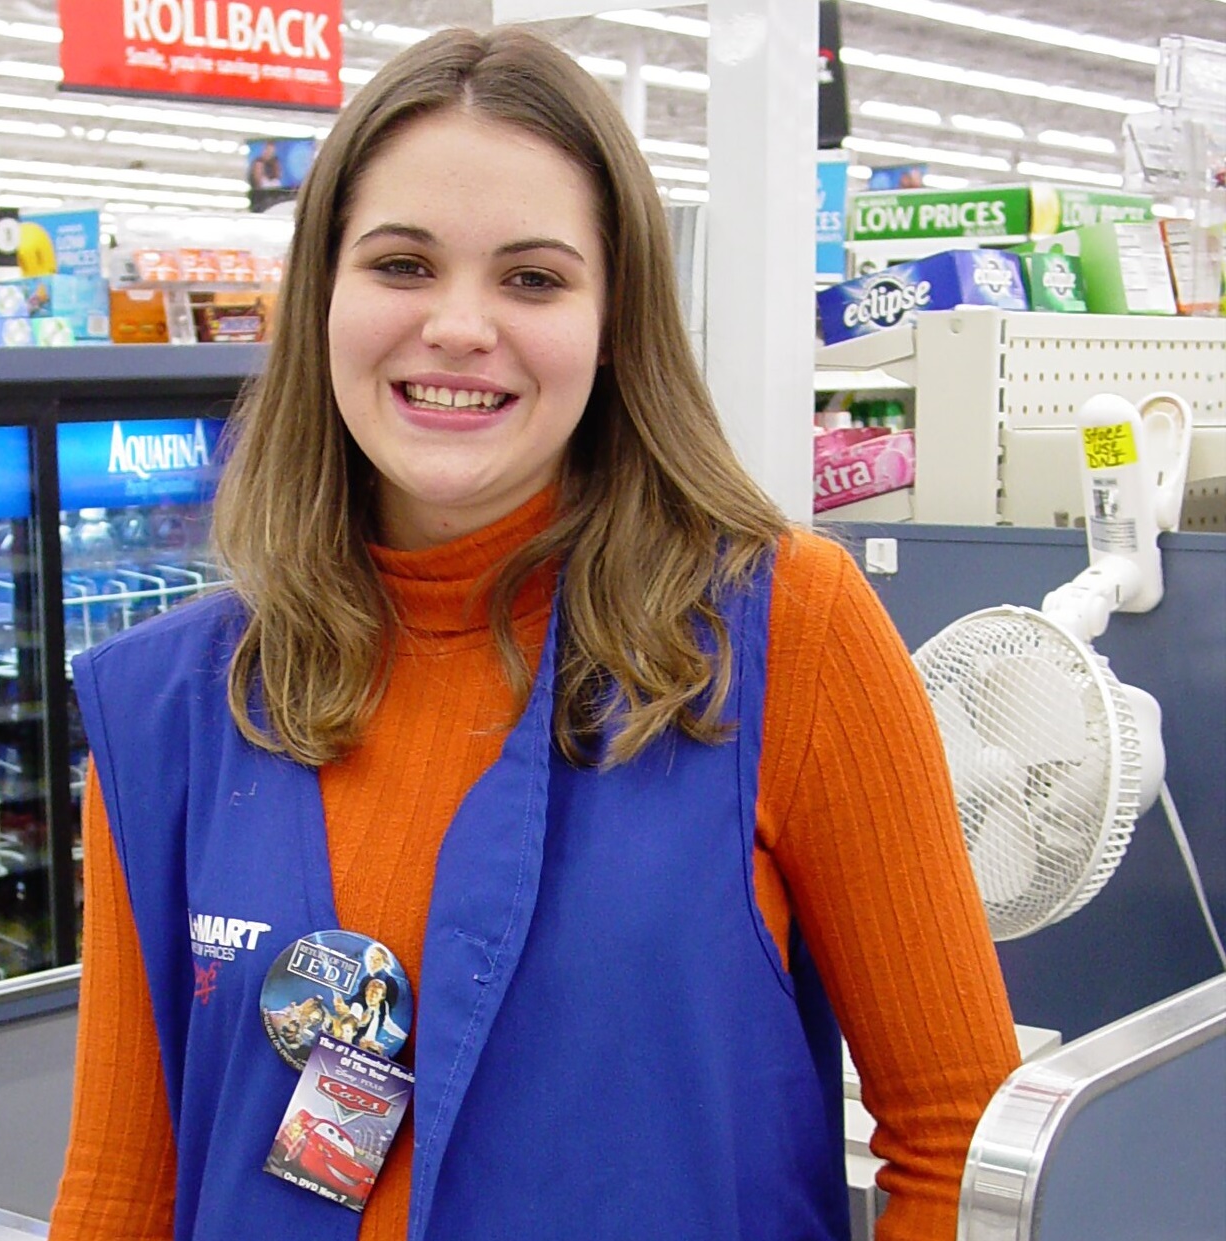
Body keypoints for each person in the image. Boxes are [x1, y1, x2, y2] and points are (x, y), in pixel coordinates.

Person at [49, 25, 1020, 1241]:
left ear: (615, 322)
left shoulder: (782, 635)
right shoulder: (179, 707)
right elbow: (119, 1189)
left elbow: (960, 1141)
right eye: (401, 264)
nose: (458, 326)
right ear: (322, 299)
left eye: (532, 278)